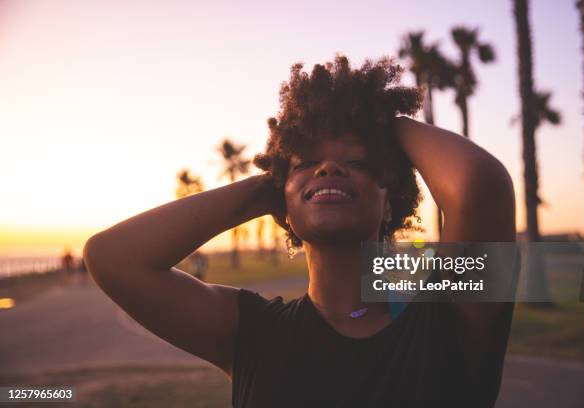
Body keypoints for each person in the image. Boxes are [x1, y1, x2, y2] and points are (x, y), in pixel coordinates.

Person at [84, 55, 517, 407]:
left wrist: (383, 122)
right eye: (306, 163)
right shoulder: (252, 332)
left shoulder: (449, 318)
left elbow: (478, 187)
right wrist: (262, 191)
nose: (329, 167)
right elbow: (112, 258)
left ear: (391, 199)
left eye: (359, 162)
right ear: (282, 201)